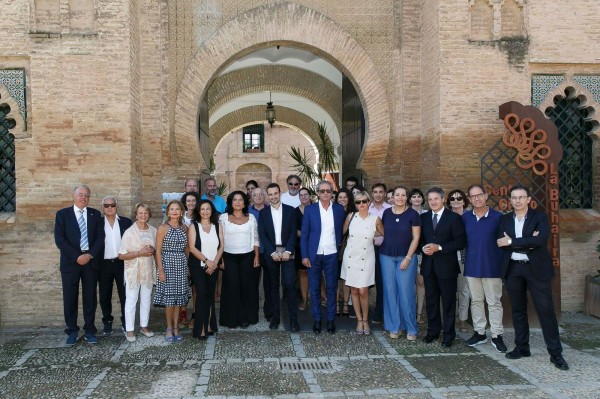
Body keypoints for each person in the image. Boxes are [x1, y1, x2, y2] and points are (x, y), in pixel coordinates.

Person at [497, 185, 569, 370]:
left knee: (546, 310)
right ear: (510, 200)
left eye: (521, 197)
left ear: (529, 199)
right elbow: (500, 242)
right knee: (518, 310)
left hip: (536, 269)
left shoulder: (540, 217)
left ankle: (556, 354)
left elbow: (540, 240)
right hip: (513, 269)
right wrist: (527, 242)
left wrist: (513, 241)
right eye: (514, 197)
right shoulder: (504, 219)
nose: (518, 200)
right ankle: (522, 347)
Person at [54, 185, 105, 346]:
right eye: (80, 194)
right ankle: (72, 331)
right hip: (71, 263)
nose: (83, 197)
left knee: (90, 297)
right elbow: (60, 239)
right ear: (73, 196)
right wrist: (77, 256)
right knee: (70, 297)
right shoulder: (62, 214)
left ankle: (90, 330)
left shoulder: (95, 214)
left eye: (86, 195)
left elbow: (100, 238)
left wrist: (89, 255)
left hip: (90, 262)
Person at [420, 187, 466, 348]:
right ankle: (433, 331)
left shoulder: (453, 218)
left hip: (447, 267)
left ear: (443, 199)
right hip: (429, 266)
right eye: (430, 199)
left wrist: (439, 247)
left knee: (448, 302)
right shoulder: (424, 217)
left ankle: (448, 334)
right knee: (431, 301)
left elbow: (460, 242)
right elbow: (420, 239)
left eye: (436, 199)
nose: (433, 202)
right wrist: (423, 248)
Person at [463, 184, 506, 352]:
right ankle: (479, 332)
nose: (477, 198)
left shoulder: (498, 217)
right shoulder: (465, 218)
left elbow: (505, 240)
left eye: (479, 195)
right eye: (473, 196)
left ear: (486, 195)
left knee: (494, 302)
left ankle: (497, 335)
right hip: (472, 266)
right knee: (476, 301)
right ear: (470, 199)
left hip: (492, 266)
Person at [301, 180, 346, 334]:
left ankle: (331, 320)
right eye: (322, 191)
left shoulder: (339, 209)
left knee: (332, 288)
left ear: (332, 192)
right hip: (314, 255)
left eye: (328, 191)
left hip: (332, 254)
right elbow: (305, 234)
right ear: (318, 193)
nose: (326, 193)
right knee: (314, 289)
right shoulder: (310, 210)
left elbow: (341, 230)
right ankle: (317, 320)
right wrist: (305, 255)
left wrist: (339, 243)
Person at [379, 186, 421, 340]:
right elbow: (384, 232)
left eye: (403, 195)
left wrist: (408, 258)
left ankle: (411, 328)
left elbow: (416, 238)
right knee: (390, 292)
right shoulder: (386, 213)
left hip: (406, 257)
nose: (400, 198)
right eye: (397, 195)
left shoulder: (413, 214)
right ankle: (394, 326)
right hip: (386, 256)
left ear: (407, 197)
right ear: (392, 197)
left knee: (406, 293)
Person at [341, 191, 384, 335]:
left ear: (369, 202)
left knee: (364, 290)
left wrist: (371, 235)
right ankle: (359, 320)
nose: (361, 204)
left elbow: (384, 233)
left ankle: (366, 320)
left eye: (364, 201)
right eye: (358, 202)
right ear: (355, 204)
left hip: (367, 256)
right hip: (351, 256)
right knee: (353, 289)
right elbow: (341, 233)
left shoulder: (376, 219)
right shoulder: (350, 217)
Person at [258, 183, 299, 332]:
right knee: (273, 286)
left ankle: (293, 320)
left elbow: (293, 231)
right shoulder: (263, 213)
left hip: (288, 251)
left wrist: (288, 251)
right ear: (267, 196)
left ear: (279, 193)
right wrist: (272, 252)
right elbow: (262, 234)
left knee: (289, 285)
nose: (273, 196)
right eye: (270, 194)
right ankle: (275, 318)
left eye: (275, 193)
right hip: (272, 253)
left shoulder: (290, 211)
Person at [219, 191, 260, 328]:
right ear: (230, 202)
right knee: (232, 287)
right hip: (228, 256)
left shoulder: (252, 217)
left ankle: (245, 317)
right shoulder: (223, 218)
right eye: (235, 200)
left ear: (244, 202)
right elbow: (220, 240)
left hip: (248, 256)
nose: (237, 202)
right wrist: (221, 259)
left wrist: (256, 256)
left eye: (240, 200)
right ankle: (230, 319)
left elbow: (255, 238)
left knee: (246, 287)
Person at [118, 203, 157, 342]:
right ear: (136, 215)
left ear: (149, 215)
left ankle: (144, 326)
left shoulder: (153, 230)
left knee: (146, 298)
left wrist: (152, 250)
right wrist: (139, 253)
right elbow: (121, 255)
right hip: (133, 271)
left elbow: (157, 250)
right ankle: (129, 330)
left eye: (146, 213)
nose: (143, 215)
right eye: (140, 213)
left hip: (148, 270)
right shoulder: (129, 232)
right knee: (131, 299)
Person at [188, 199, 223, 340]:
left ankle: (209, 325)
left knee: (209, 295)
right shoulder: (193, 226)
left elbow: (221, 246)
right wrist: (206, 261)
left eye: (208, 209)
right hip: (198, 265)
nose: (205, 211)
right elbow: (192, 247)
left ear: (212, 210)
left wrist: (214, 263)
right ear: (198, 211)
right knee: (201, 294)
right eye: (202, 209)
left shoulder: (217, 226)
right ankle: (200, 327)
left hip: (213, 266)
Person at [154, 200, 189, 342]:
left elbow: (187, 248)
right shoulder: (162, 228)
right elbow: (158, 251)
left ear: (181, 212)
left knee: (178, 299)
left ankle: (176, 327)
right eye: (172, 209)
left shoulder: (184, 228)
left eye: (177, 209)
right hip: (167, 265)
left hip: (181, 265)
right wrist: (160, 270)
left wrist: (188, 267)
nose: (174, 211)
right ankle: (169, 328)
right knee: (169, 301)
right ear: (168, 212)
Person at [99, 196, 132, 336]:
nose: (110, 208)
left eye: (112, 205)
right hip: (104, 264)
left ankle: (126, 322)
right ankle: (107, 321)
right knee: (104, 295)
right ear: (103, 208)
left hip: (122, 263)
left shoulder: (125, 222)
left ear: (116, 206)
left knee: (125, 294)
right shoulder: (98, 223)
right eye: (106, 205)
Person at [446, 189, 471, 333]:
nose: (455, 201)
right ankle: (448, 319)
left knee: (463, 290)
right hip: (447, 257)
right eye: (452, 199)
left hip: (464, 257)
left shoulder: (469, 217)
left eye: (459, 198)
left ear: (464, 200)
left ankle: (462, 320)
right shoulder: (445, 216)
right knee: (447, 290)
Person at [369, 183, 391, 324]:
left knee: (383, 281)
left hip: (386, 249)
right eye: (375, 191)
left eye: (380, 192)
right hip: (369, 249)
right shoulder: (366, 207)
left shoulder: (390, 209)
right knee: (372, 281)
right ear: (372, 193)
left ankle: (380, 312)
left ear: (385, 194)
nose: (378, 194)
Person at [249, 187, 272, 321]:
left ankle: (269, 311)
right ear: (251, 196)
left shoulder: (270, 210)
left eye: (261, 194)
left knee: (269, 283)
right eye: (255, 195)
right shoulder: (247, 212)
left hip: (268, 251)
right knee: (252, 284)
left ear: (265, 196)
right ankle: (253, 312)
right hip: (252, 252)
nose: (258, 197)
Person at [335, 188, 356, 317]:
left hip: (350, 249)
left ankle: (346, 304)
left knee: (347, 278)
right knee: (336, 277)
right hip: (335, 248)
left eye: (345, 197)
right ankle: (337, 304)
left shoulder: (354, 213)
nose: (342, 199)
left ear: (349, 199)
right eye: (340, 197)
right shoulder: (332, 212)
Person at [409, 188, 427, 325]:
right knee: (408, 284)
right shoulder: (405, 214)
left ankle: (419, 314)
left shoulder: (427, 214)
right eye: (414, 196)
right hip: (407, 253)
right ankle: (408, 312)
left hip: (422, 253)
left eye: (419, 196)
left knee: (421, 283)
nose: (416, 199)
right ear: (410, 199)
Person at [295, 187, 312, 311]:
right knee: (303, 272)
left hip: (316, 246)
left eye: (306, 194)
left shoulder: (317, 209)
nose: (304, 197)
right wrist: (308, 234)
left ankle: (322, 298)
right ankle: (305, 300)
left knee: (318, 272)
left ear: (310, 196)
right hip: (300, 245)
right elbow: (293, 230)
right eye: (301, 195)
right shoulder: (295, 212)